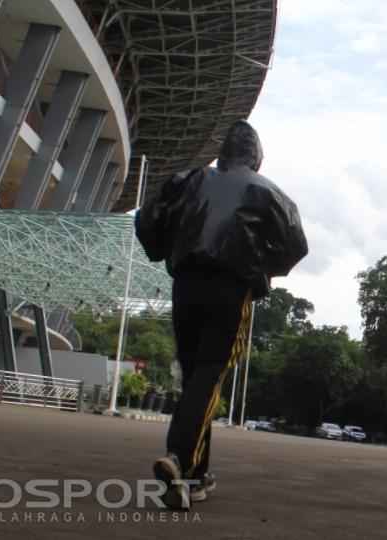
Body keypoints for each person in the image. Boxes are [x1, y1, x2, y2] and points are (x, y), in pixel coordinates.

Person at [134, 120, 307, 509]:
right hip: (230, 287)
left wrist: (166, 248)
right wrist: (261, 265)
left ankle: (194, 476)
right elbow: (296, 246)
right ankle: (179, 458)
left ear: (222, 151)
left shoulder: (189, 179)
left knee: (198, 376)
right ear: (256, 157)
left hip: (187, 283)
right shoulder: (268, 192)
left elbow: (145, 220)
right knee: (210, 373)